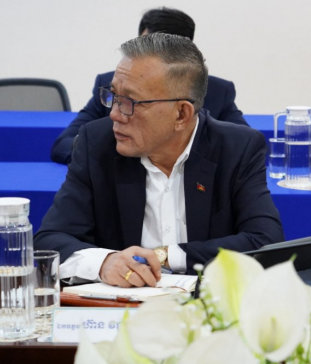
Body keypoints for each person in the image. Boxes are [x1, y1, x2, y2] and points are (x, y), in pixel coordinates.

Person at [35, 33, 284, 287]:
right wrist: (106, 262)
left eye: (130, 102)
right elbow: (50, 240)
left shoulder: (236, 149)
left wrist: (164, 256)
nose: (114, 115)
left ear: (181, 114)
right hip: (120, 304)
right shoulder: (97, 143)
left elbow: (266, 242)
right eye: (113, 96)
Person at [50, 7, 247, 164]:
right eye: (143, 46)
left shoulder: (217, 92)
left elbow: (246, 147)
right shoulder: (110, 86)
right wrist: (122, 155)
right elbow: (64, 144)